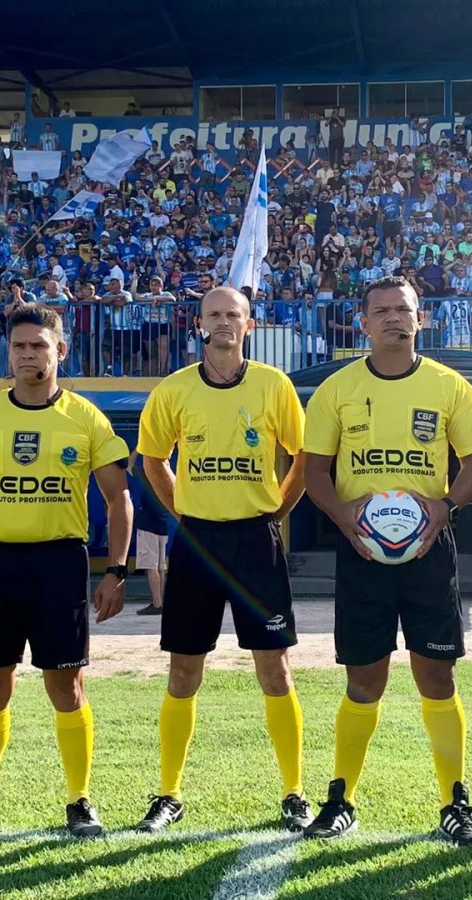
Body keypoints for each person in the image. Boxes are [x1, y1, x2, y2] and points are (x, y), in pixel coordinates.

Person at [0, 304, 133, 838]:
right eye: (18, 346)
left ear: (59, 351)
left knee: (66, 685)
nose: (27, 354)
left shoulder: (87, 418)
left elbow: (119, 499)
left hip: (58, 562)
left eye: (38, 346)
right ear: (8, 352)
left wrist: (116, 570)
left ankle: (80, 801)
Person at [301, 275, 472, 844]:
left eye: (402, 309)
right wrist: (346, 521)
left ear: (420, 318)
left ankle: (455, 801)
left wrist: (446, 507)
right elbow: (314, 473)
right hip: (361, 551)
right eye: (380, 310)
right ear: (363, 323)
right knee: (365, 679)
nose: (392, 318)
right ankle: (342, 798)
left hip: (429, 548)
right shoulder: (337, 389)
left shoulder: (449, 386)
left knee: (437, 674)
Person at [135, 286, 312, 833]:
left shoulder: (274, 385)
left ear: (249, 325)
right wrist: (184, 513)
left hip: (256, 541)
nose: (224, 322)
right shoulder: (174, 391)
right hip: (198, 543)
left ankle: (294, 792)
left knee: (274, 670)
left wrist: (274, 510)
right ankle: (168, 793)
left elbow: (302, 455)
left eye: (234, 314)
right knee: (184, 668)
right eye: (215, 314)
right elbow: (152, 460)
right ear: (200, 324)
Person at [127, 449, 176, 616]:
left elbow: (128, 465)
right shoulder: (168, 479)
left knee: (150, 565)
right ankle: (160, 601)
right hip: (162, 525)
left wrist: (139, 448)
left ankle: (156, 603)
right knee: (161, 565)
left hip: (148, 525)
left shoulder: (146, 475)